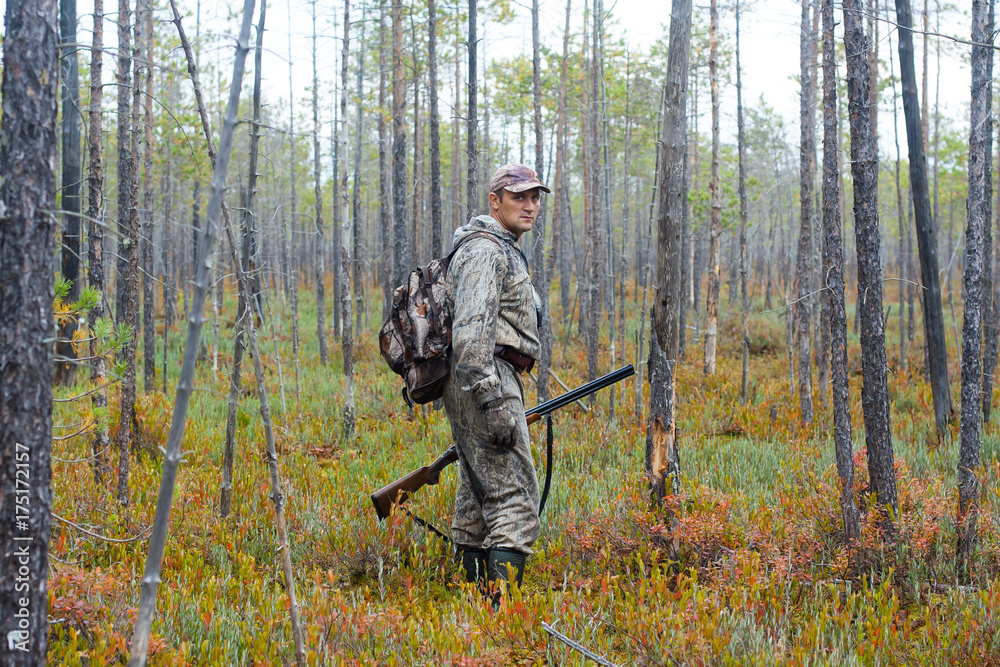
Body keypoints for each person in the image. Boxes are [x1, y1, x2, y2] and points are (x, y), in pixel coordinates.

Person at [443, 163, 550, 603]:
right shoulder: (487, 251)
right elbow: (470, 336)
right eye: (519, 196)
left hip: (480, 375)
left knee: (477, 491)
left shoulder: (498, 248)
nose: (529, 205)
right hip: (486, 374)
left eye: (535, 197)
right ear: (495, 200)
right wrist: (494, 399)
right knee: (515, 499)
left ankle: (471, 606)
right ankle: (501, 616)